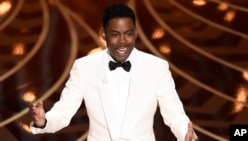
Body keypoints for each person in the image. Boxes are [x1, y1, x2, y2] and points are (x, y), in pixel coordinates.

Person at [29, 3, 198, 141]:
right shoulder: (84, 67)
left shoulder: (157, 67)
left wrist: (186, 134)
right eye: (115, 34)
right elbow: (63, 112)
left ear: (136, 34)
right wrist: (44, 122)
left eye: (128, 34)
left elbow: (174, 113)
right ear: (104, 34)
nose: (123, 41)